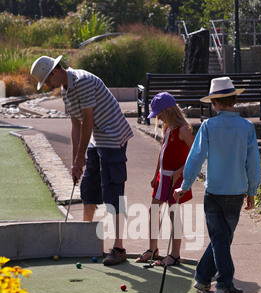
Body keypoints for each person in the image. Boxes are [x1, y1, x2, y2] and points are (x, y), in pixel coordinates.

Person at [30, 55, 133, 266]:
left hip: (113, 136)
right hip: (97, 137)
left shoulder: (83, 81)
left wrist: (80, 157)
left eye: (48, 81)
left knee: (113, 191)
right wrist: (76, 161)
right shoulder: (66, 90)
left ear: (55, 71)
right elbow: (75, 126)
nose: (49, 86)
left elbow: (88, 121)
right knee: (88, 188)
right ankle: (86, 241)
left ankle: (119, 248)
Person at [174, 76, 261, 293]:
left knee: (219, 238)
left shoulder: (208, 126)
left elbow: (195, 157)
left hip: (213, 191)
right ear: (234, 99)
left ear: (215, 103)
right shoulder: (247, 127)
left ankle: (204, 278)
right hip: (236, 191)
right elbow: (253, 164)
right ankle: (224, 283)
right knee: (222, 238)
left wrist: (185, 184)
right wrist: (252, 191)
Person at [135, 92, 194, 266]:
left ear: (169, 110)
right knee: (154, 210)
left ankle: (175, 254)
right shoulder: (167, 127)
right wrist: (155, 174)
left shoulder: (183, 129)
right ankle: (153, 249)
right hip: (163, 176)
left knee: (173, 214)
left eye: (160, 113)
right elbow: (162, 152)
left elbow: (197, 154)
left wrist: (182, 171)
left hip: (176, 177)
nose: (158, 117)